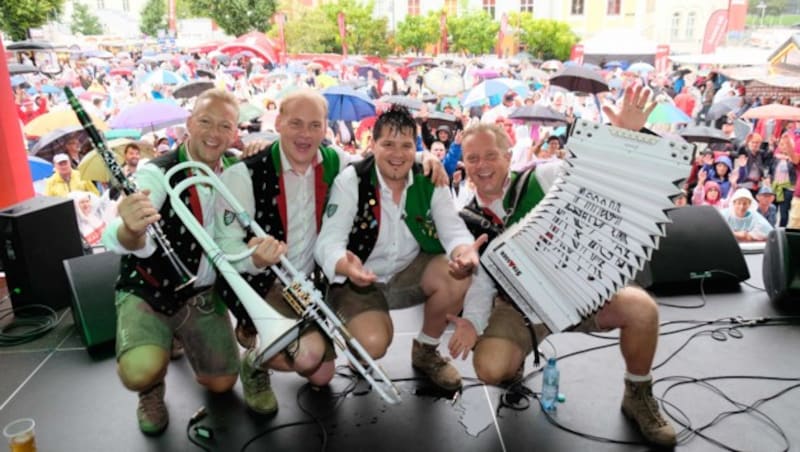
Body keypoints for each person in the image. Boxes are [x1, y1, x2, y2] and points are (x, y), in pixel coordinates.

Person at [447, 86, 677, 447]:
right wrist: (473, 323)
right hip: (518, 308)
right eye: (473, 158)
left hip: (579, 293)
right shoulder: (465, 218)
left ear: (509, 155)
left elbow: (594, 171)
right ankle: (516, 354)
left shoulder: (544, 178)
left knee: (642, 310)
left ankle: (638, 393)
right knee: (490, 368)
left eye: (490, 155)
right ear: (464, 163)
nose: (482, 165)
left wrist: (625, 135)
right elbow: (481, 284)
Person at [215, 90, 449, 413]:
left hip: (309, 283)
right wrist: (253, 256)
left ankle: (287, 342)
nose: (305, 134)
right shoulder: (244, 173)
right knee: (310, 358)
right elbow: (225, 247)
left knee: (322, 375)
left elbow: (383, 161)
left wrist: (424, 158)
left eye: (314, 125)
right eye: (295, 123)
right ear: (279, 122)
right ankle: (255, 361)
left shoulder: (336, 162)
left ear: (326, 128)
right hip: (266, 282)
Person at [100, 89, 242, 436]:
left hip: (201, 293)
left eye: (225, 125)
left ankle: (177, 335)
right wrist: (131, 229)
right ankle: (151, 389)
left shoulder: (237, 169)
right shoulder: (156, 172)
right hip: (151, 289)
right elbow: (117, 234)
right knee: (140, 370)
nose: (214, 132)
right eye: (205, 121)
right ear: (190, 124)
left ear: (235, 133)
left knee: (222, 383)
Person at [314, 105, 484, 392]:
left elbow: (452, 230)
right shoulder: (352, 181)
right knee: (373, 343)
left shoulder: (429, 178)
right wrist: (346, 266)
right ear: (373, 145)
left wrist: (464, 251)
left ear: (414, 147)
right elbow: (327, 244)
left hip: (407, 271)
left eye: (406, 145)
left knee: (456, 275)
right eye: (388, 144)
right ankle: (359, 348)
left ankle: (426, 351)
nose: (397, 153)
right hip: (359, 279)